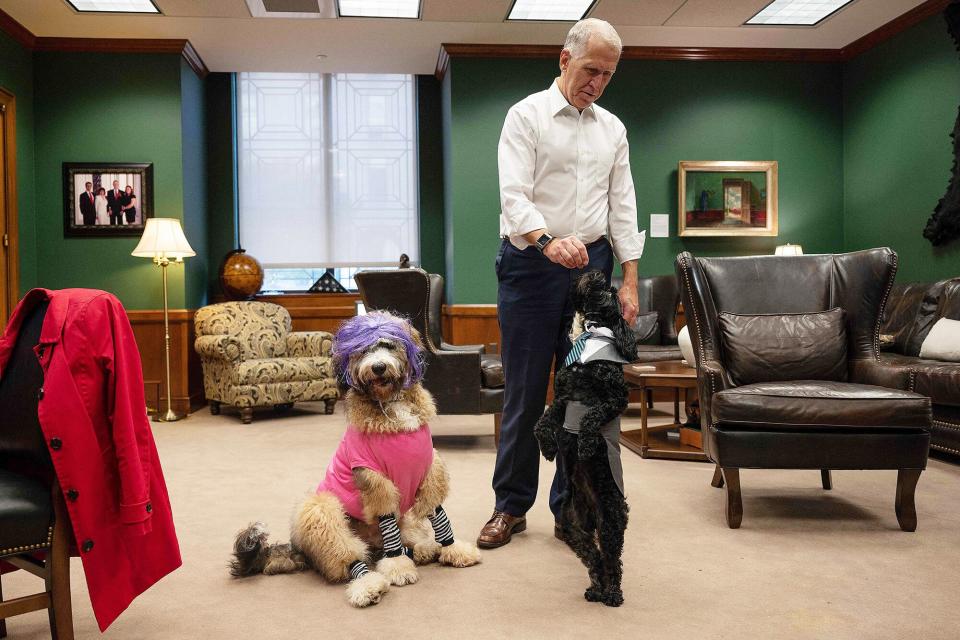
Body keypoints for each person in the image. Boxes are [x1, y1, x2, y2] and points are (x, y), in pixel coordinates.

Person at [478, 18, 645, 549]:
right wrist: (547, 239)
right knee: (525, 394)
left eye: (608, 74)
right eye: (591, 69)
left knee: (581, 393)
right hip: (531, 265)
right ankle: (510, 506)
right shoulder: (525, 116)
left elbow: (623, 206)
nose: (597, 82)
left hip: (592, 270)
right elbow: (513, 194)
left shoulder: (613, 129)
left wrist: (630, 280)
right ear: (564, 60)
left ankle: (570, 506)